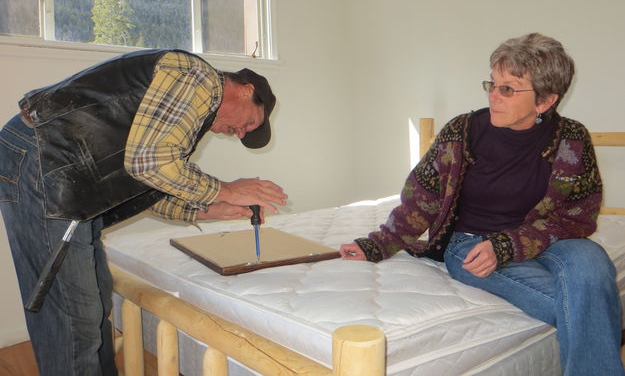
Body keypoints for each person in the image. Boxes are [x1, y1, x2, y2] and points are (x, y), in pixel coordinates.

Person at [340, 33, 624, 375]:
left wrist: (507, 245)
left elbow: (577, 217)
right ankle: (610, 326)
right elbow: (422, 198)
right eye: (493, 82)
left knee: (591, 261)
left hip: (550, 240)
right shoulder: (461, 131)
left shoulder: (572, 140)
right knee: (588, 301)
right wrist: (377, 244)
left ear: (545, 101)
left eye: (509, 88)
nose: (493, 95)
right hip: (470, 241)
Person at [0, 48, 288, 376]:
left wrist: (210, 208)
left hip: (66, 175)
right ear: (247, 90)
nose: (240, 133)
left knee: (93, 307)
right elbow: (149, 163)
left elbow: (142, 181)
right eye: (249, 122)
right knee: (71, 317)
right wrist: (228, 189)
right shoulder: (199, 78)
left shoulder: (188, 110)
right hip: (46, 161)